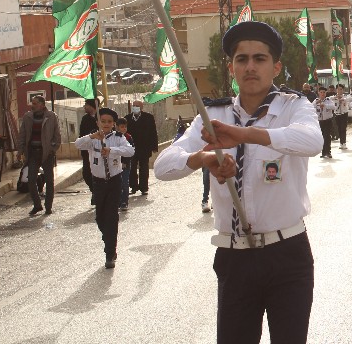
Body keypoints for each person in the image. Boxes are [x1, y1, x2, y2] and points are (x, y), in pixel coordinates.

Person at [153, 21, 322, 344]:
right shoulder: (212, 116)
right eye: (241, 59)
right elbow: (162, 166)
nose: (250, 66)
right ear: (231, 67)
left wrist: (244, 135)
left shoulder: (294, 107)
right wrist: (203, 159)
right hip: (235, 257)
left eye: (260, 58)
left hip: (287, 255)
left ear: (276, 67)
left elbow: (312, 142)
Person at [75, 107, 135, 268]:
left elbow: (130, 151)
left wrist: (111, 151)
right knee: (100, 217)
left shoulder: (118, 137)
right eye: (103, 121)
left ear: (114, 123)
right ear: (98, 122)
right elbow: (77, 144)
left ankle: (110, 252)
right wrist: (91, 136)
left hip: (114, 180)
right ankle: (107, 237)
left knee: (111, 217)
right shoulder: (93, 139)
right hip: (98, 182)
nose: (106, 124)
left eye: (109, 122)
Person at [18, 95, 61, 215]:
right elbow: (22, 134)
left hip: (47, 153)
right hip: (32, 153)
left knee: (49, 181)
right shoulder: (27, 117)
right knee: (31, 180)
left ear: (42, 105)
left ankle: (48, 206)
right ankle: (37, 205)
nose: (33, 105)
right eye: (32, 103)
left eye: (35, 103)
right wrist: (20, 150)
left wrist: (53, 149)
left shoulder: (51, 116)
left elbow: (57, 135)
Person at [126, 100, 158, 196]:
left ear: (141, 107)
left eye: (137, 106)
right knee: (132, 168)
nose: (135, 107)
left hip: (144, 147)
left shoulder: (148, 118)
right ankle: (133, 186)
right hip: (132, 148)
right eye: (134, 106)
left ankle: (144, 187)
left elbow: (153, 132)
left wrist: (154, 146)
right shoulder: (127, 118)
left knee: (144, 168)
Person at [79, 98, 99, 204]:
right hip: (87, 151)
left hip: (99, 151)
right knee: (86, 173)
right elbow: (81, 136)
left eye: (86, 104)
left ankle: (98, 194)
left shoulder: (101, 117)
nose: (84, 107)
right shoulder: (85, 119)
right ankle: (94, 190)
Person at [313, 86, 336, 158]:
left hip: (327, 120)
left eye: (324, 92)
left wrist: (325, 105)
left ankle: (328, 152)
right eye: (321, 92)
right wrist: (316, 103)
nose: (322, 94)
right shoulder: (316, 100)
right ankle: (323, 152)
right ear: (318, 93)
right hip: (320, 121)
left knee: (327, 136)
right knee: (321, 137)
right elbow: (310, 107)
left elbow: (333, 107)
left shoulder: (328, 100)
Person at [116, 118, 133, 211]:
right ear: (117, 127)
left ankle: (124, 202)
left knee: (124, 183)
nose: (124, 129)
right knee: (116, 184)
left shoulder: (128, 137)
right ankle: (117, 201)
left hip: (125, 165)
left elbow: (130, 151)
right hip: (114, 164)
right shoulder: (113, 137)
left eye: (125, 127)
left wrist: (125, 162)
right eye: (122, 127)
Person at [333, 84, 352, 150]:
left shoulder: (346, 96)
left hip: (344, 114)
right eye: (338, 89)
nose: (339, 90)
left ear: (343, 90)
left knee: (343, 128)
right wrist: (336, 98)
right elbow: (329, 99)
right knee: (339, 129)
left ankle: (343, 142)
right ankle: (341, 142)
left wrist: (342, 99)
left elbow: (350, 99)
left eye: (341, 89)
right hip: (337, 114)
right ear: (336, 90)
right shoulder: (334, 97)